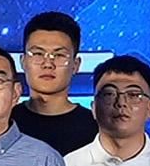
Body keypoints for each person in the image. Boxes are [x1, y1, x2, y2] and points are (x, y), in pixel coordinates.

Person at [16, 11, 103, 155]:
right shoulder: (4, 124)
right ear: (23, 61)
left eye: (59, 55)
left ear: (76, 65)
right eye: (38, 54)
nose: (48, 64)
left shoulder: (98, 130)